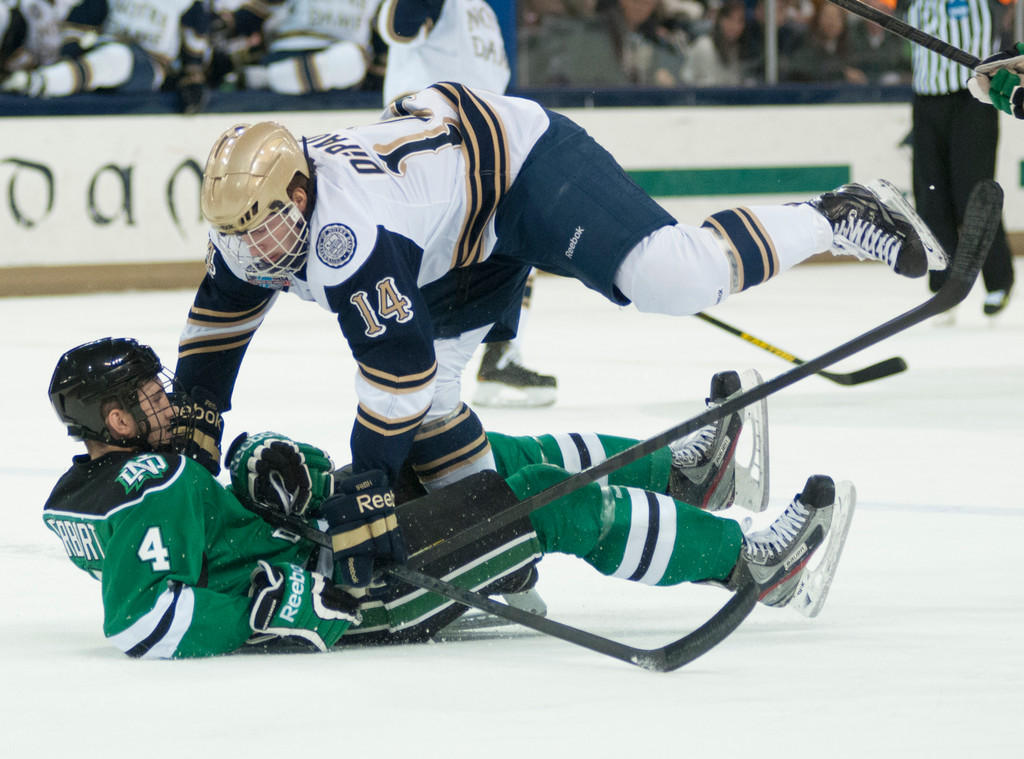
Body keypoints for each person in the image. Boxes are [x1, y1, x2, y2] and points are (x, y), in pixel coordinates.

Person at [175, 83, 945, 517]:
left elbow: (393, 367)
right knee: (437, 418)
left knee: (671, 278)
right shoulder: (259, 224)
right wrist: (196, 420)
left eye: (266, 230)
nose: (254, 253)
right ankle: (499, 554)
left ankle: (839, 214)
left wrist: (370, 475)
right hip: (456, 236)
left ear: (300, 191)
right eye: (236, 237)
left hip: (521, 165)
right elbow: (218, 321)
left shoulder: (343, 234)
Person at [45, 336, 854, 657]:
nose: (167, 400)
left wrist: (268, 467)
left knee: (461, 451)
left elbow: (209, 527)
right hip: (363, 592)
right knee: (541, 500)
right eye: (147, 396)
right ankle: (750, 564)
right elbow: (146, 619)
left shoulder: (124, 477)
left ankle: (684, 472)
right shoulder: (138, 489)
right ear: (110, 419)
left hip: (329, 544)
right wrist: (276, 606)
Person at [376, 0, 560, 407]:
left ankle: (498, 354)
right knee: (436, 256)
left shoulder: (485, 14)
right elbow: (398, 28)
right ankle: (410, 367)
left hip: (476, 145)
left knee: (513, 238)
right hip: (425, 142)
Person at [905, 0, 1015, 317]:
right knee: (931, 193)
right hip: (926, 97)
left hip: (973, 98)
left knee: (974, 193)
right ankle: (943, 285)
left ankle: (999, 280)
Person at [0, 0, 212, 114]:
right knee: (111, 55)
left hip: (151, 65)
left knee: (117, 57)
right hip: (101, 51)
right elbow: (77, 26)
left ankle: (35, 83)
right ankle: (38, 80)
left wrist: (192, 75)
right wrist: (69, 53)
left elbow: (195, 36)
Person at [230, 0, 379, 95]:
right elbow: (256, 11)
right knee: (352, 59)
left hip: (344, 64)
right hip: (292, 49)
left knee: (352, 58)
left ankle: (266, 78)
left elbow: (385, 33)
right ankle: (272, 78)